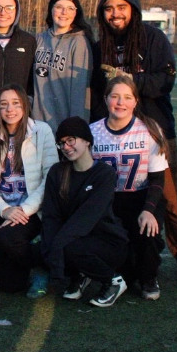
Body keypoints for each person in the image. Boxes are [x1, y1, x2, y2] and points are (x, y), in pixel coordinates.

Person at [91, 0, 177, 281]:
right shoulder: (98, 44)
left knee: (172, 197)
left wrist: (128, 82)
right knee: (114, 196)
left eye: (120, 7)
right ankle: (122, 253)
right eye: (108, 9)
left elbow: (164, 81)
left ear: (133, 9)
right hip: (114, 133)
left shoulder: (152, 38)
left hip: (153, 130)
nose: (114, 14)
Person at [90, 76, 168, 300]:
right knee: (119, 257)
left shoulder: (149, 130)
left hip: (140, 196)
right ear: (106, 100)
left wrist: (149, 209)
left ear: (135, 102)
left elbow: (157, 179)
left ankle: (149, 276)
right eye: (114, 96)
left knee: (148, 232)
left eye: (126, 97)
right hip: (108, 200)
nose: (120, 102)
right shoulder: (92, 131)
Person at [0, 84, 57, 296]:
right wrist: (4, 210)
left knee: (7, 239)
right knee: (10, 286)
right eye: (4, 105)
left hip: (30, 209)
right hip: (2, 207)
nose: (10, 109)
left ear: (25, 106)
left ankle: (41, 265)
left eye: (15, 103)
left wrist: (23, 210)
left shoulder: (42, 130)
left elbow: (51, 177)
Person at [41, 116, 129, 308]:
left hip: (106, 240)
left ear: (87, 140)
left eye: (71, 140)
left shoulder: (105, 174)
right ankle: (80, 275)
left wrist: (57, 246)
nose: (66, 146)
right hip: (73, 237)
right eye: (62, 143)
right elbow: (50, 215)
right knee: (43, 247)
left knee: (67, 247)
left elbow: (87, 218)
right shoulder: (57, 172)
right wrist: (50, 247)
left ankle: (114, 281)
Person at [32, 0, 94, 130]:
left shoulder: (79, 42)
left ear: (76, 13)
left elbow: (80, 92)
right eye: (59, 7)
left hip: (64, 126)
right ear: (51, 10)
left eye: (70, 8)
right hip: (37, 125)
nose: (64, 12)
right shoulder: (39, 39)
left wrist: (76, 129)